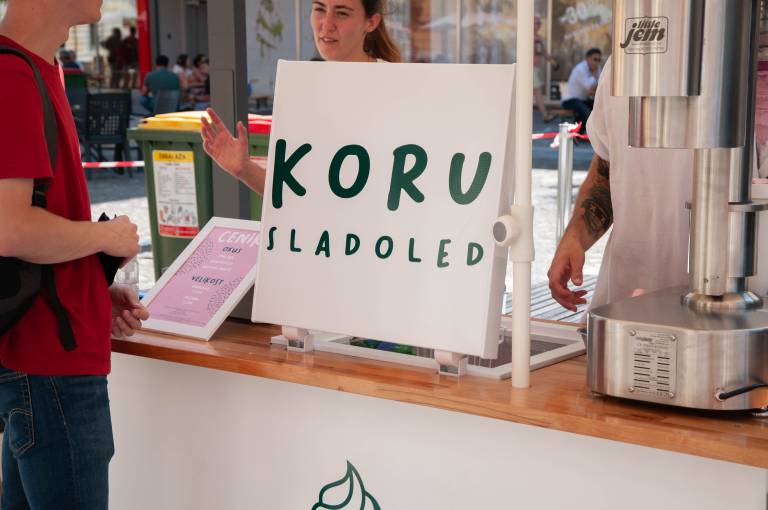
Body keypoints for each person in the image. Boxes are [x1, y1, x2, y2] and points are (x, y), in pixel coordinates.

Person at [0, 0, 150, 507]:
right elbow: (11, 229)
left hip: (44, 361)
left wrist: (90, 285)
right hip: (49, 367)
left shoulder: (33, 70)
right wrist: (105, 239)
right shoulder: (14, 77)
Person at [201, 0, 401, 194]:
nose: (327, 24)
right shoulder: (301, 88)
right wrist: (244, 169)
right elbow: (292, 195)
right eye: (319, 9)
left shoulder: (397, 87)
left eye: (342, 13)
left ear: (371, 22)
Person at [547, 56, 692, 314]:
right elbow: (608, 166)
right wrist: (575, 236)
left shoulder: (741, 60)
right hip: (626, 300)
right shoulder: (624, 61)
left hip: (734, 309)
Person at [561, 48, 602, 133]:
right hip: (569, 99)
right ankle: (578, 132)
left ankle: (579, 132)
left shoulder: (597, 68)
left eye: (599, 60)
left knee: (599, 107)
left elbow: (601, 85)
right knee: (587, 112)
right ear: (587, 58)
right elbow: (590, 88)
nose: (597, 62)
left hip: (581, 99)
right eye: (595, 59)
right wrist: (594, 75)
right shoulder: (580, 69)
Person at [533, 16, 558, 123]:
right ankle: (545, 115)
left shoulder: (539, 38)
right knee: (538, 92)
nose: (539, 25)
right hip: (529, 69)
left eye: (540, 23)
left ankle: (545, 114)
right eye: (536, 23)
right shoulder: (525, 36)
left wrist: (554, 63)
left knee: (536, 92)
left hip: (535, 69)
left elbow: (544, 53)